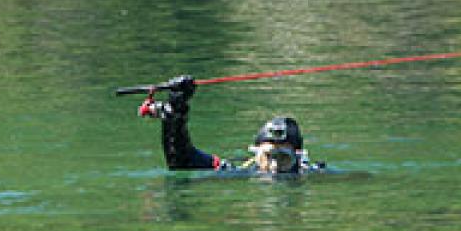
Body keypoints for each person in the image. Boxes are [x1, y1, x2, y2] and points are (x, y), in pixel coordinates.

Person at [138, 75, 325, 175]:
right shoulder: (241, 172)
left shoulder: (312, 175)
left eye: (283, 158)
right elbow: (182, 162)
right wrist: (175, 112)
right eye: (268, 157)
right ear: (256, 154)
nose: (274, 168)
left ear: (298, 157)